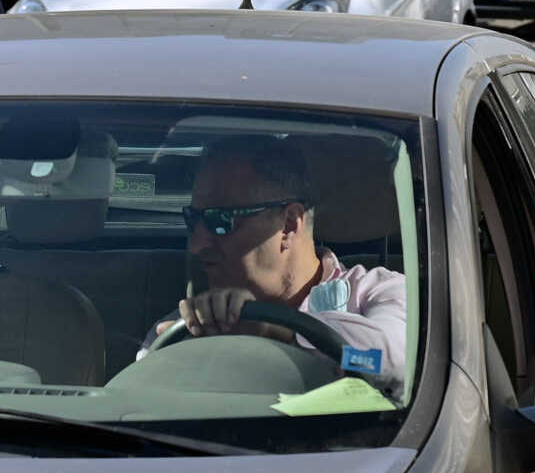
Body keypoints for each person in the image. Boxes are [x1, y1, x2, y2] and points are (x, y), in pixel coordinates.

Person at [139, 137, 409, 380]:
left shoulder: (379, 292)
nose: (196, 245)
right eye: (193, 220)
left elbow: (388, 363)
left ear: (290, 224)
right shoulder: (189, 326)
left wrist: (277, 331)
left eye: (220, 221)